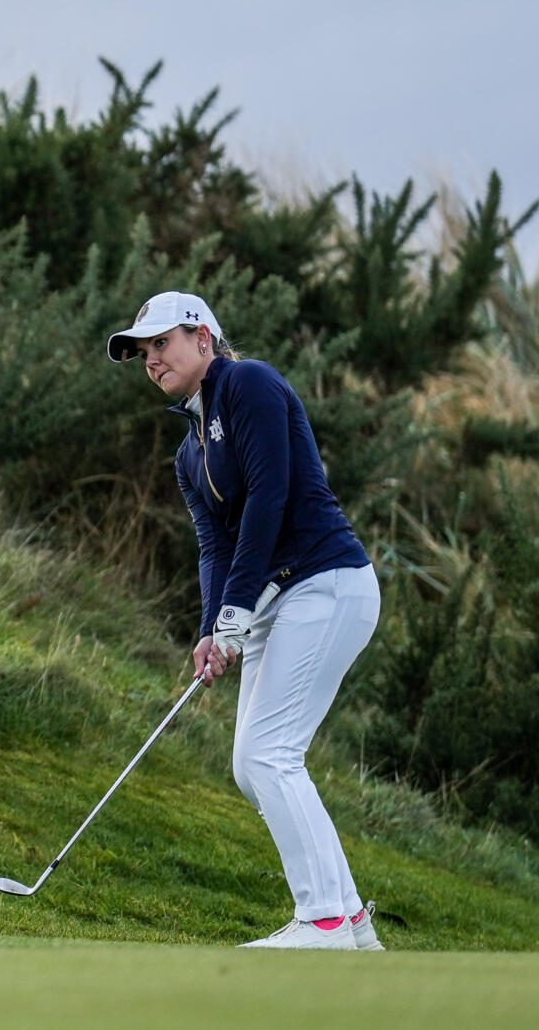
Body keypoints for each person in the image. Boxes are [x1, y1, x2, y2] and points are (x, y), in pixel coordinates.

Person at [108, 291, 385, 950]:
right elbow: (215, 545)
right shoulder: (189, 454)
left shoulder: (250, 383)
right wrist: (212, 628)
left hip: (328, 582)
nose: (152, 360)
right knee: (250, 763)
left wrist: (235, 612)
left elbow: (270, 495)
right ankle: (348, 920)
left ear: (204, 338)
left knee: (271, 753)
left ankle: (320, 921)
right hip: (277, 601)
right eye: (145, 352)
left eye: (162, 343)